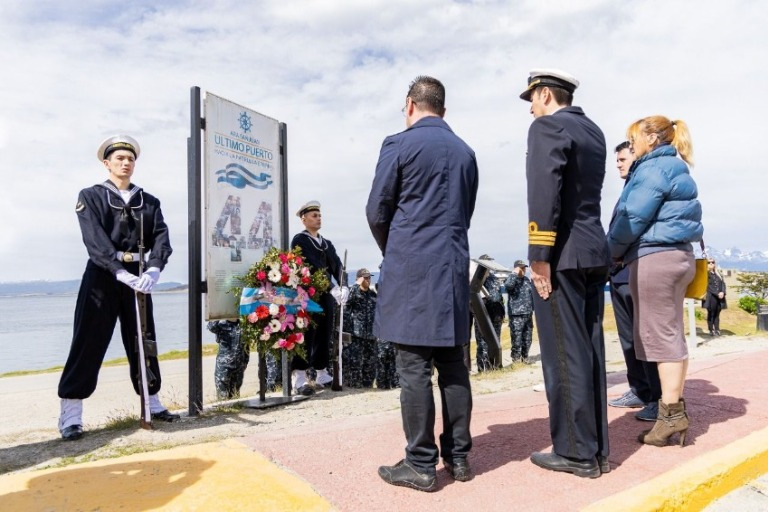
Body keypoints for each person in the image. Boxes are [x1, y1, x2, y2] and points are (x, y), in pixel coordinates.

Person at [367, 75, 478, 492]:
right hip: (451, 268)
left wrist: (394, 250)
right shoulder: (466, 153)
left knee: (413, 368)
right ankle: (460, 456)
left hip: (411, 270)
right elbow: (463, 212)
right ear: (443, 110)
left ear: (410, 105)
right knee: (453, 366)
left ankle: (420, 462)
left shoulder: (398, 144)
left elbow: (377, 209)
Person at [519, 69, 611, 478]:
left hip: (562, 255)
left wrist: (539, 254)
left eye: (532, 100)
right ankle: (596, 448)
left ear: (544, 95)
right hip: (593, 249)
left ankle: (575, 452)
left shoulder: (547, 127)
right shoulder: (593, 131)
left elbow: (545, 190)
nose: (532, 109)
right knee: (590, 350)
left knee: (563, 353)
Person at [58, 135, 178, 441]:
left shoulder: (148, 201)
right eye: (120, 159)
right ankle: (71, 414)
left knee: (144, 338)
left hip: (139, 276)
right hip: (102, 276)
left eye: (130, 159)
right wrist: (116, 270)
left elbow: (162, 237)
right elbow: (94, 240)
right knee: (89, 340)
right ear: (107, 163)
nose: (126, 163)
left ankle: (151, 401)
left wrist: (154, 267)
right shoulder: (91, 196)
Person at [608, 115, 703, 447]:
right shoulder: (673, 166)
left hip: (656, 257)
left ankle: (671, 415)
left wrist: (611, 252)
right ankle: (672, 411)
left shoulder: (651, 168)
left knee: (660, 338)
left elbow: (631, 218)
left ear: (651, 138)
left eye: (633, 138)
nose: (630, 144)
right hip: (677, 255)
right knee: (670, 335)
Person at [607, 141, 662, 422]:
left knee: (646, 340)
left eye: (622, 158)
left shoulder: (644, 187)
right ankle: (639, 390)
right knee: (629, 339)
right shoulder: (628, 189)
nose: (617, 163)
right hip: (618, 276)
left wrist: (611, 252)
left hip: (637, 271)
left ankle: (657, 397)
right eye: (616, 159)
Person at [290, 200, 347, 396]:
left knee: (325, 333)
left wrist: (343, 285)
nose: (318, 218)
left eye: (320, 215)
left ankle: (321, 372)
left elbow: (338, 266)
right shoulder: (300, 240)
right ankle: (299, 377)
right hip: (307, 295)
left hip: (326, 296)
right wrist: (332, 287)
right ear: (304, 219)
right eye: (314, 216)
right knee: (306, 335)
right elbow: (312, 266)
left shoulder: (326, 243)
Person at [343, 268, 378, 388]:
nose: (368, 280)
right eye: (365, 277)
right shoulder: (354, 292)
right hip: (357, 334)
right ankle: (355, 384)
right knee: (355, 361)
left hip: (371, 334)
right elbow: (346, 304)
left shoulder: (373, 295)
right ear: (359, 278)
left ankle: (367, 384)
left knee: (370, 362)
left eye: (369, 277)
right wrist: (356, 284)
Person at [474, 255, 505, 371]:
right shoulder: (476, 278)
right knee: (483, 343)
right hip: (483, 316)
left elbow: (499, 297)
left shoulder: (494, 278)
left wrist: (502, 314)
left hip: (496, 315)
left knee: (496, 341)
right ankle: (483, 368)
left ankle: (496, 365)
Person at [207, 320, 250, 399]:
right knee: (223, 396)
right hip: (224, 366)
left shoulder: (243, 324)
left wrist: (245, 361)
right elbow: (211, 327)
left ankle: (236, 409)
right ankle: (224, 410)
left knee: (235, 395)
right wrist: (220, 315)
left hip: (239, 365)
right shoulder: (221, 324)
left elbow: (246, 345)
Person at [504, 260, 534, 364]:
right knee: (516, 338)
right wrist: (514, 273)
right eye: (521, 268)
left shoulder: (526, 280)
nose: (523, 270)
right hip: (516, 315)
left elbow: (531, 294)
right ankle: (516, 361)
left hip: (528, 313)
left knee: (528, 338)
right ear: (516, 268)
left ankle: (525, 358)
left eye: (524, 268)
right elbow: (508, 286)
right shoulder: (512, 279)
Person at [704, 259, 727, 336]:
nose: (711, 263)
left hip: (720, 297)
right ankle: (711, 330)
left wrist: (723, 292)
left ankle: (717, 329)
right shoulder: (705, 274)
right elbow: (708, 286)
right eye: (709, 262)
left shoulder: (718, 273)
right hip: (711, 297)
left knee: (717, 313)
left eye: (712, 262)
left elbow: (723, 283)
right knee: (711, 313)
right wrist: (718, 293)